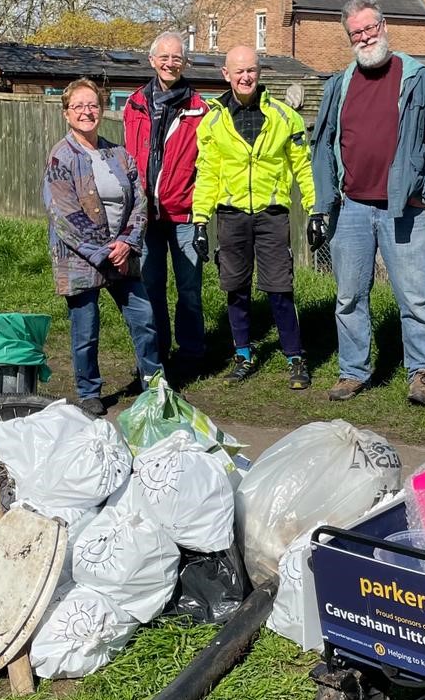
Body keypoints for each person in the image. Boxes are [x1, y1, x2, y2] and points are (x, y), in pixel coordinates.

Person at [311, 0, 425, 406]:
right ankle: (353, 370)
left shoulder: (416, 77)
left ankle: (424, 372)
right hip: (351, 207)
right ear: (349, 38)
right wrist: (325, 202)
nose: (365, 37)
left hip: (402, 209)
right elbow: (322, 146)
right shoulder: (339, 84)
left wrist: (420, 192)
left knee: (415, 295)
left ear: (384, 24)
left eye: (370, 28)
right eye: (356, 32)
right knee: (349, 296)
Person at [190, 45, 320, 390]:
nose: (246, 77)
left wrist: (314, 209)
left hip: (272, 214)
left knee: (280, 288)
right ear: (226, 75)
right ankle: (243, 354)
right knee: (236, 289)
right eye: (239, 71)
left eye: (251, 70)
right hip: (231, 215)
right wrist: (200, 220)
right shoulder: (213, 121)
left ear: (259, 72)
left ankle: (295, 357)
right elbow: (206, 173)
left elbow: (303, 167)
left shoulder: (283, 116)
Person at [42, 78, 161, 416]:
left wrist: (127, 243)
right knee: (86, 329)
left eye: (92, 105)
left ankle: (153, 381)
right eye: (78, 106)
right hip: (80, 259)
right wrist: (104, 252)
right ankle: (89, 390)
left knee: (144, 318)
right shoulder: (60, 157)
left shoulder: (118, 153)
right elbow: (64, 215)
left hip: (123, 254)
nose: (87, 112)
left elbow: (139, 200)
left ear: (102, 109)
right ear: (66, 113)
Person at [123, 31, 209, 382]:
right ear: (152, 60)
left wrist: (201, 209)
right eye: (165, 57)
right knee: (150, 286)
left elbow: (208, 164)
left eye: (177, 58)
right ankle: (155, 353)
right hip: (145, 215)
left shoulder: (200, 108)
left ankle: (192, 352)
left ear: (184, 63)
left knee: (189, 288)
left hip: (184, 213)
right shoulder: (134, 104)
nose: (170, 63)